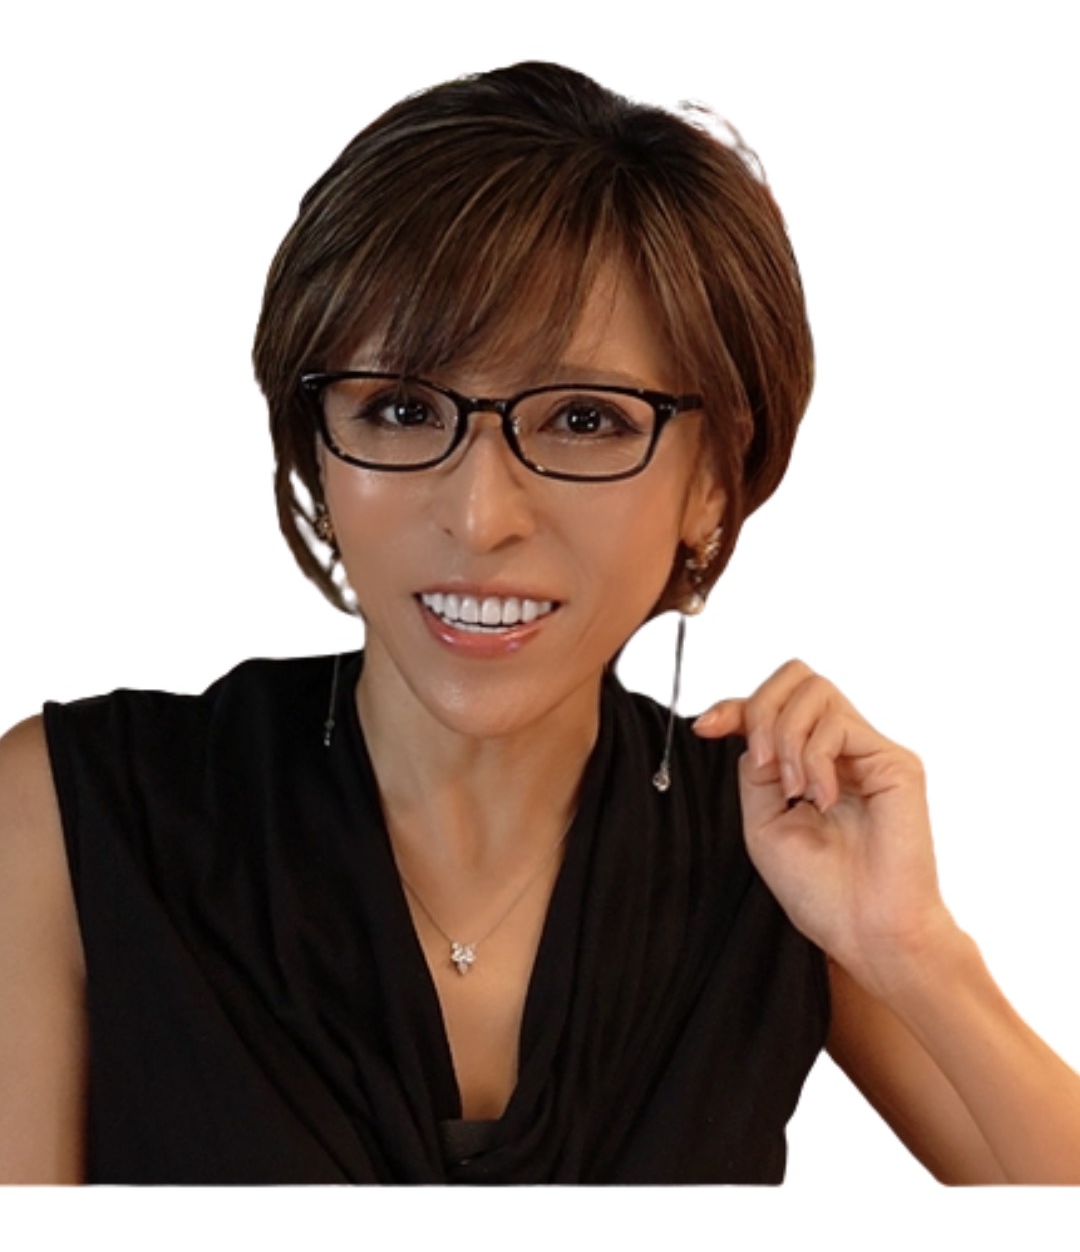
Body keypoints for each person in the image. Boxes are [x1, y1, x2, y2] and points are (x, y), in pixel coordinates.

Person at [1, 61, 1077, 1185]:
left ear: (713, 481)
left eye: (584, 419)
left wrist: (915, 952)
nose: (479, 516)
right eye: (401, 407)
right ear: (317, 448)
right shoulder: (73, 819)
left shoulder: (781, 849)